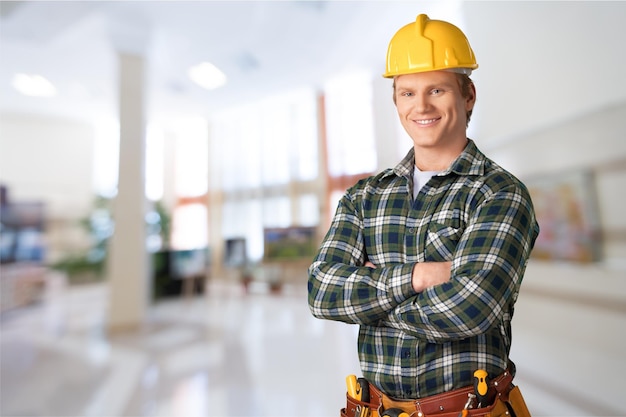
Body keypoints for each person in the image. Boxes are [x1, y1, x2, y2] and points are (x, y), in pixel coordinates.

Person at [308, 14, 539, 417]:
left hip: (469, 411)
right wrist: (419, 277)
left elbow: (472, 308)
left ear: (467, 95)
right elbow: (322, 290)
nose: (422, 106)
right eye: (407, 93)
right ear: (396, 101)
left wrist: (370, 299)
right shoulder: (365, 196)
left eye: (436, 89)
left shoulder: (499, 193)